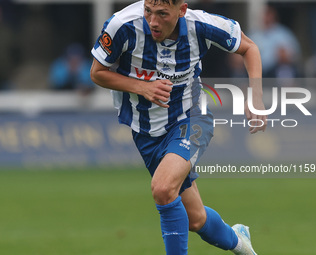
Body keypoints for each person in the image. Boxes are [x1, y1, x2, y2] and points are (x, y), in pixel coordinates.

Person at [90, 0, 267, 254]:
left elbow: (249, 47)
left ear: (181, 10)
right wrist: (142, 87)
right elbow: (97, 72)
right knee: (195, 219)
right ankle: (240, 242)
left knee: (163, 188)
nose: (153, 21)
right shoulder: (122, 25)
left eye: (162, 14)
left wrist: (256, 97)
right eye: (148, 11)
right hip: (145, 131)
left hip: (191, 118)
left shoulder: (201, 25)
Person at [249, 5, 301, 78]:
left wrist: (285, 56)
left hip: (276, 72)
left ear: (274, 16)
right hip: (257, 73)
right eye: (265, 15)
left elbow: (295, 54)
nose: (266, 18)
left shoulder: (284, 33)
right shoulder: (253, 35)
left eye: (269, 15)